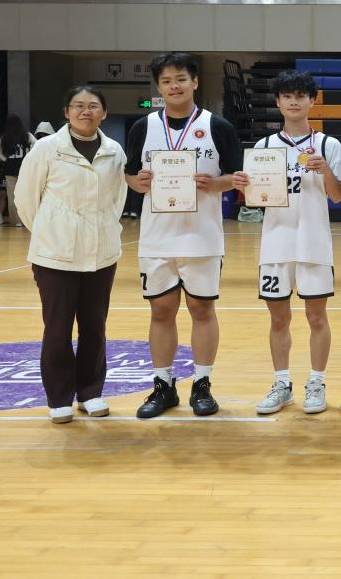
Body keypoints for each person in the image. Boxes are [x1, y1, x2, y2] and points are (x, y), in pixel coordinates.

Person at [125, 53, 242, 419]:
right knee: (161, 311)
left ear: (195, 82)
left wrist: (216, 183)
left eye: (180, 79)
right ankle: (163, 386)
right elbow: (130, 175)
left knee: (201, 309)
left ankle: (202, 384)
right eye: (166, 81)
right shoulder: (143, 127)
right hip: (156, 237)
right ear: (158, 88)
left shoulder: (218, 126)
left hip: (202, 237)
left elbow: (239, 178)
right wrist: (137, 181)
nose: (173, 86)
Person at [232, 70, 341, 416]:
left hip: (314, 244)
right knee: (278, 319)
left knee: (316, 317)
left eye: (300, 96)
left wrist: (326, 171)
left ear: (312, 101)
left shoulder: (328, 145)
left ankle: (317, 382)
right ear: (278, 102)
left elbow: (338, 196)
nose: (294, 102)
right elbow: (255, 200)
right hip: (275, 244)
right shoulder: (264, 147)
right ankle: (282, 384)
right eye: (287, 96)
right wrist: (244, 186)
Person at [14, 86, 126, 424]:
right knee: (58, 328)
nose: (85, 111)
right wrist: (50, 230)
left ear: (104, 113)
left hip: (101, 254)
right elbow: (25, 198)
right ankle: (59, 397)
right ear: (66, 112)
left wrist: (103, 226)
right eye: (78, 105)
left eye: (93, 106)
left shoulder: (114, 151)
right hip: (54, 255)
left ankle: (90, 393)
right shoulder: (47, 148)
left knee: (95, 327)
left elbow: (117, 199)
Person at [0, 115, 36, 226]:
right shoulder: (26, 135)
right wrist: (29, 156)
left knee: (12, 196)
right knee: (25, 194)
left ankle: (16, 221)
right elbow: (37, 144)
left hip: (10, 167)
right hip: (24, 167)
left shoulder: (6, 137)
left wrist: (5, 159)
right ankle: (27, 220)